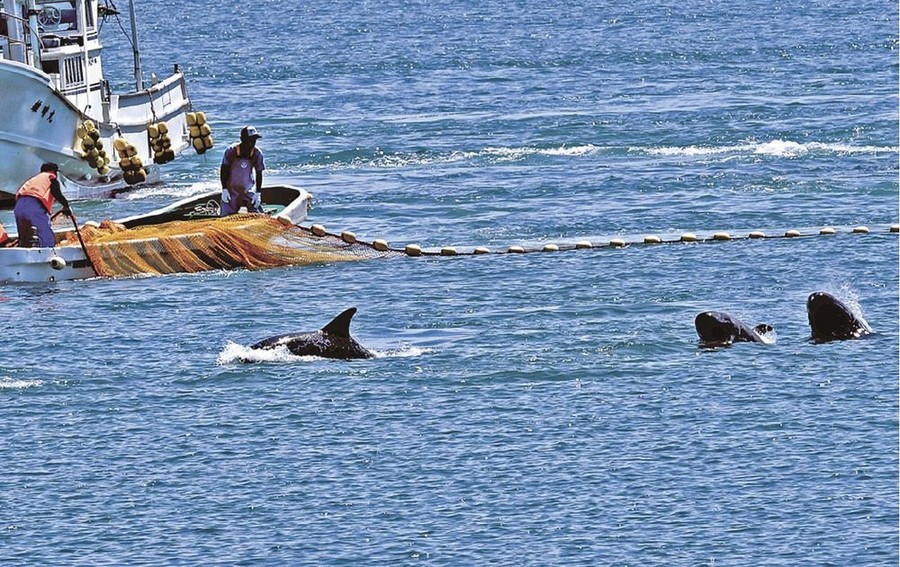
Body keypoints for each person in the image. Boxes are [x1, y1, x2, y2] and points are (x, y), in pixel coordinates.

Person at [14, 162, 71, 248]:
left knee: (24, 236)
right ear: (54, 172)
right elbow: (56, 193)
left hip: (18, 208)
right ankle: (47, 255)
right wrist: (66, 205)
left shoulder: (33, 180)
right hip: (33, 207)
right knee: (45, 236)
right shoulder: (51, 178)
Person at [220, 125, 265, 216]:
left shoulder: (257, 153)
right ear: (242, 139)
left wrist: (258, 193)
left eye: (254, 140)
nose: (252, 143)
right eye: (249, 140)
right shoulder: (231, 151)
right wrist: (224, 189)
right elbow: (223, 170)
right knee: (225, 215)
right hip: (231, 191)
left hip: (248, 190)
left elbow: (259, 173)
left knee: (258, 214)